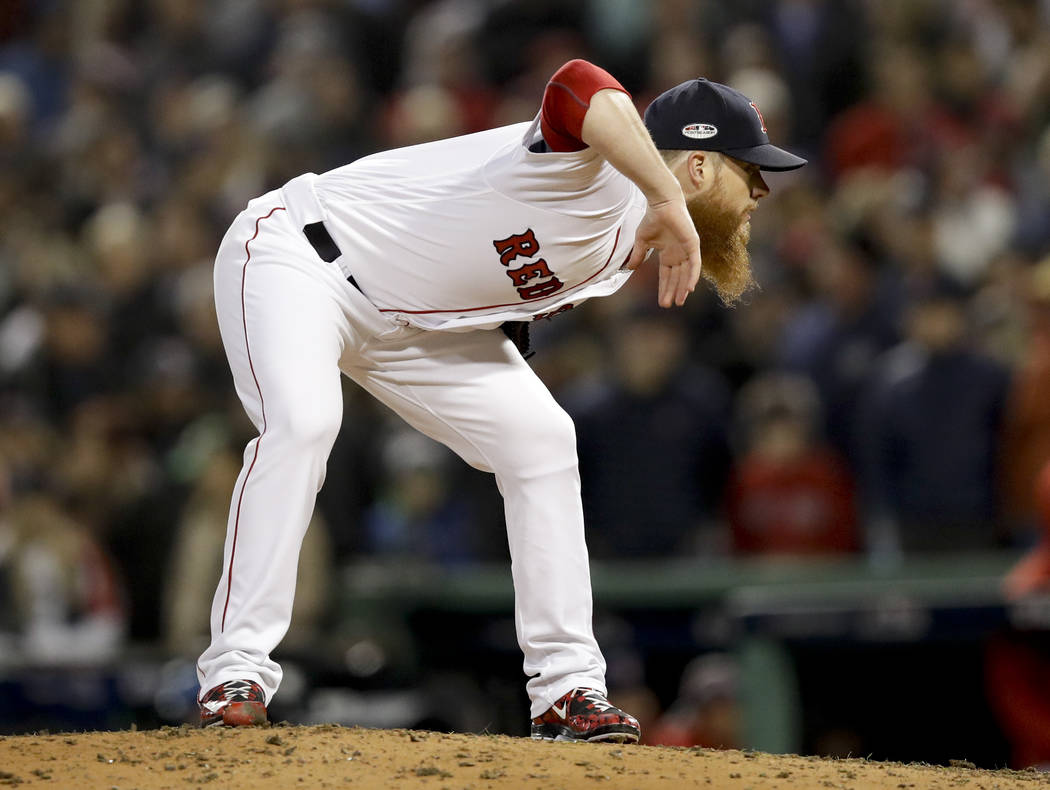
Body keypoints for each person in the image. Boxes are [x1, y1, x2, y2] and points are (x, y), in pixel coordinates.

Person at [196, 58, 805, 742]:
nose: (760, 191)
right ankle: (235, 671)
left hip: (413, 325)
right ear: (695, 167)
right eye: (747, 172)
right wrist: (662, 193)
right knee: (305, 424)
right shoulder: (597, 174)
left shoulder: (630, 239)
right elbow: (578, 83)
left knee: (542, 440)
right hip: (299, 258)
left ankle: (567, 690)